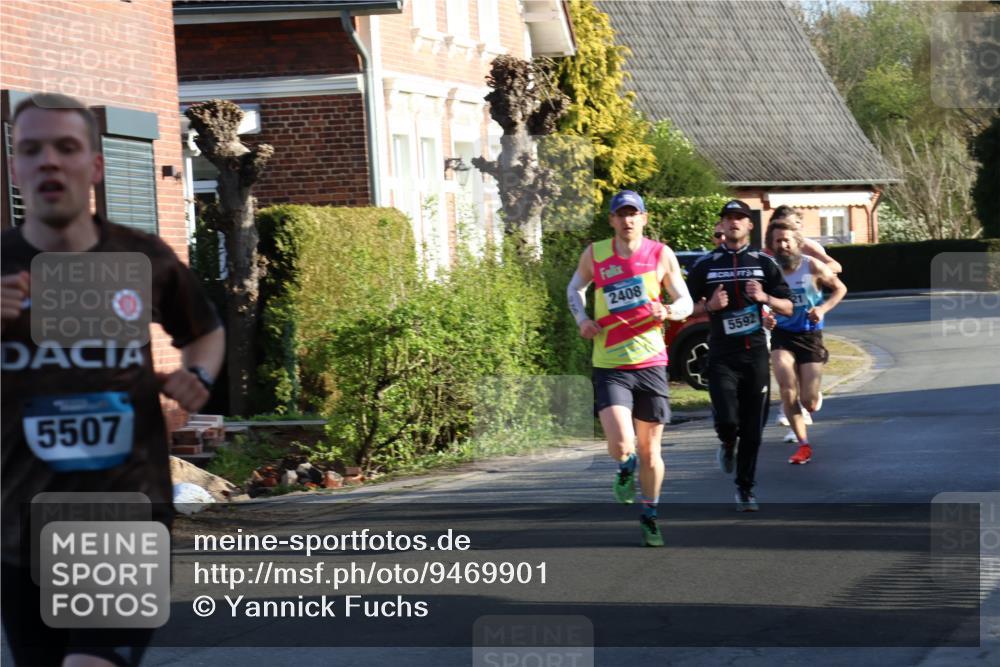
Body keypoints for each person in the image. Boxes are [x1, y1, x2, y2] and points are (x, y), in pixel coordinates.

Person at [1, 93, 224, 667]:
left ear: (95, 166)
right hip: (17, 525)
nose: (49, 161)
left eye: (66, 147)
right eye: (32, 149)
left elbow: (205, 331)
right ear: (14, 168)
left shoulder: (141, 258)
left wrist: (196, 373)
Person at [567, 190, 693, 546]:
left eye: (633, 214)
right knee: (623, 443)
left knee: (651, 450)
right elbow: (574, 288)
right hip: (610, 362)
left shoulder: (660, 254)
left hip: (651, 362)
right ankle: (625, 467)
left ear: (644, 218)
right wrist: (582, 318)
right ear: (612, 220)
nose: (627, 220)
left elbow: (684, 300)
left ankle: (650, 514)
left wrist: (667, 311)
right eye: (621, 214)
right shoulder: (596, 254)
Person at [686, 199, 793, 512]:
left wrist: (765, 298)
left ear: (749, 225)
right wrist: (709, 307)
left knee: (753, 430)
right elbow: (681, 309)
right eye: (729, 218)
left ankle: (745, 489)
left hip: (756, 354)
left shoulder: (764, 262)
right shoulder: (706, 264)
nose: (734, 223)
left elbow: (788, 306)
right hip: (721, 354)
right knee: (729, 421)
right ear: (721, 225)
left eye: (740, 218)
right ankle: (727, 442)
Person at [764, 219, 847, 464]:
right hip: (782, 335)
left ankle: (811, 399)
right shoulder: (770, 271)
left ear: (797, 242)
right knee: (787, 390)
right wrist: (767, 318)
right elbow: (762, 301)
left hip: (809, 336)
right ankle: (803, 444)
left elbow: (840, 289)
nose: (783, 245)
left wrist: (822, 309)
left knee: (808, 401)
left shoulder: (812, 266)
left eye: (786, 240)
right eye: (777, 241)